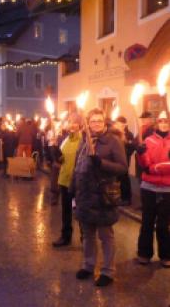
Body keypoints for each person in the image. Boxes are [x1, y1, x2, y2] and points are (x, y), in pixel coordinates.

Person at [72, 108, 127, 286]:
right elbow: (78, 165)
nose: (96, 123)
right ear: (88, 123)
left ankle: (107, 271)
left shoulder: (113, 141)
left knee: (105, 235)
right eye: (93, 120)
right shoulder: (83, 140)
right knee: (87, 234)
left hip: (103, 196)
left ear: (104, 122)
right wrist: (73, 189)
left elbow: (122, 167)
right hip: (85, 195)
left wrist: (101, 163)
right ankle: (88, 266)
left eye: (99, 120)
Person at [136, 111, 170, 268]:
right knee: (147, 222)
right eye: (161, 120)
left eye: (167, 121)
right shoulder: (148, 140)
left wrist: (154, 168)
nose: (164, 123)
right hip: (149, 188)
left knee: (164, 225)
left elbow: (152, 168)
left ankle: (166, 255)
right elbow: (145, 166)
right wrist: (141, 154)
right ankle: (144, 253)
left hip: (167, 190)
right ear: (157, 122)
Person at [52, 113, 82, 247]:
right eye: (70, 122)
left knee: (80, 211)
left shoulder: (83, 140)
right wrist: (54, 151)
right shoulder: (65, 139)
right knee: (66, 211)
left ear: (80, 125)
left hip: (79, 181)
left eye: (75, 122)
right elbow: (61, 159)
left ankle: (85, 238)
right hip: (64, 180)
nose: (72, 125)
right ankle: (65, 236)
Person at [113, 116, 136, 206]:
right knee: (115, 180)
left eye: (121, 124)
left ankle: (126, 198)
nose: (119, 126)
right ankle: (116, 196)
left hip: (124, 160)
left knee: (124, 179)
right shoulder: (114, 133)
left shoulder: (129, 134)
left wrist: (125, 147)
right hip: (115, 161)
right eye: (118, 124)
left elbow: (131, 148)